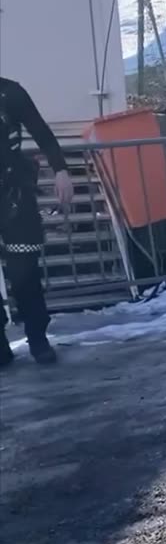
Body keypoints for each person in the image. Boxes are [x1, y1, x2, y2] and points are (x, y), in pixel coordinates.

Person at [1, 76, 73, 367]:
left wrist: (61, 171)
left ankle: (37, 338)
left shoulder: (10, 92)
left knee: (24, 272)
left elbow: (41, 133)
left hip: (13, 194)